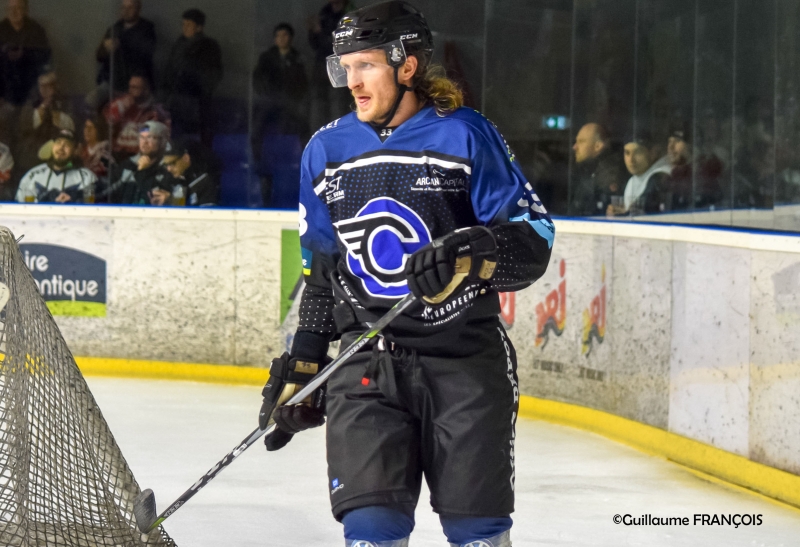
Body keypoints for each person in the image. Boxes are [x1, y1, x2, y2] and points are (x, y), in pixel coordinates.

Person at [257, 3, 555, 546]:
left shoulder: (466, 135)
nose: (352, 81)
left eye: (365, 65)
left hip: (464, 362)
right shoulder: (325, 151)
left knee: (477, 532)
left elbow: (534, 244)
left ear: (407, 66)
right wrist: (304, 359)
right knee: (371, 529)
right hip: (367, 365)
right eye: (344, 67)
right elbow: (323, 273)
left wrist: (473, 255)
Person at [252, 22, 309, 206]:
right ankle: (258, 165)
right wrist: (271, 96)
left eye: (285, 35)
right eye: (278, 36)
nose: (281, 39)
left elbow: (302, 84)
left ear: (290, 38)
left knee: (304, 128)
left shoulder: (298, 58)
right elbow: (258, 81)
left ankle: (307, 165)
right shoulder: (266, 57)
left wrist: (290, 99)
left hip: (290, 106)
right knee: (256, 129)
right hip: (269, 103)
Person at [161, 8, 222, 146]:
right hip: (177, 98)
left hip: (197, 100)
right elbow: (170, 69)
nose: (185, 28)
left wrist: (201, 91)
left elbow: (213, 74)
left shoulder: (209, 46)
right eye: (183, 24)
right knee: (177, 138)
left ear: (199, 27)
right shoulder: (179, 44)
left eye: (189, 25)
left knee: (197, 138)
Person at [14, 71, 74, 180]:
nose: (45, 89)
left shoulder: (64, 102)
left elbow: (70, 126)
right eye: (42, 86)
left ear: (55, 86)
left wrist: (56, 113)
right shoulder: (30, 103)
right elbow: (25, 125)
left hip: (57, 151)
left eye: (49, 85)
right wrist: (41, 109)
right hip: (31, 154)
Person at [307, 0, 356, 129]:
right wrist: (313, 31)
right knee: (317, 101)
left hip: (342, 63)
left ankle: (337, 133)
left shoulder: (351, 13)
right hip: (321, 64)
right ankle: (317, 135)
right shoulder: (324, 12)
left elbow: (343, 44)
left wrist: (320, 33)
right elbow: (315, 45)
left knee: (338, 101)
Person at [15, 128, 96, 203]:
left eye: (67, 144)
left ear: (74, 150)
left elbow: (92, 209)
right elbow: (20, 208)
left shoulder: (87, 177)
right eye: (58, 142)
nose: (61, 147)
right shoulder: (32, 175)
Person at [95, 0, 156, 96]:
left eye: (130, 7)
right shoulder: (114, 28)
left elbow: (145, 57)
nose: (126, 10)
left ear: (138, 10)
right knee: (90, 101)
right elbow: (99, 56)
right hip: (112, 82)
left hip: (134, 83)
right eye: (123, 7)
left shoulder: (147, 29)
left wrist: (122, 44)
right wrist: (106, 49)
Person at [104, 74, 170, 160]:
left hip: (142, 157)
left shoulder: (155, 111)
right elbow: (104, 124)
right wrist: (120, 109)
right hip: (118, 155)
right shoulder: (121, 104)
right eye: (130, 87)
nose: (130, 91)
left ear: (145, 90)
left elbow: (161, 139)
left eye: (135, 88)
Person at [104, 119, 169, 204]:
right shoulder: (127, 165)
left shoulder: (168, 168)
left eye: (150, 137)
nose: (145, 142)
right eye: (142, 137)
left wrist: (143, 171)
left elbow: (153, 199)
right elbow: (108, 195)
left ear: (162, 142)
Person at [0, 0, 50, 106]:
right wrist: (6, 55)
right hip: (5, 87)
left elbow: (45, 58)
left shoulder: (36, 30)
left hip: (30, 85)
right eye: (10, 9)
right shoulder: (1, 29)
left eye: (18, 8)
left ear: (26, 10)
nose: (14, 12)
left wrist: (25, 55)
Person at [607, 134, 671, 216]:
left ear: (653, 153)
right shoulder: (634, 178)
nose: (631, 160)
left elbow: (650, 214)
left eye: (637, 152)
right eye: (627, 153)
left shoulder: (660, 177)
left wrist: (624, 214)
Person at [570, 122, 625, 216]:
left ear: (598, 146)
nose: (574, 147)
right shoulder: (587, 170)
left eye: (581, 141)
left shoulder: (608, 175)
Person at [161, 138, 219, 206]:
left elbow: (207, 214)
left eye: (172, 163)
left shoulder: (204, 181)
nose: (169, 169)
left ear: (186, 158)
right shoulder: (168, 179)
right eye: (166, 165)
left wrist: (171, 200)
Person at [77, 117, 112, 183]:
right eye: (86, 127)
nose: (87, 130)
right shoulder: (80, 151)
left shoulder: (106, 153)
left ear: (99, 130)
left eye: (91, 127)